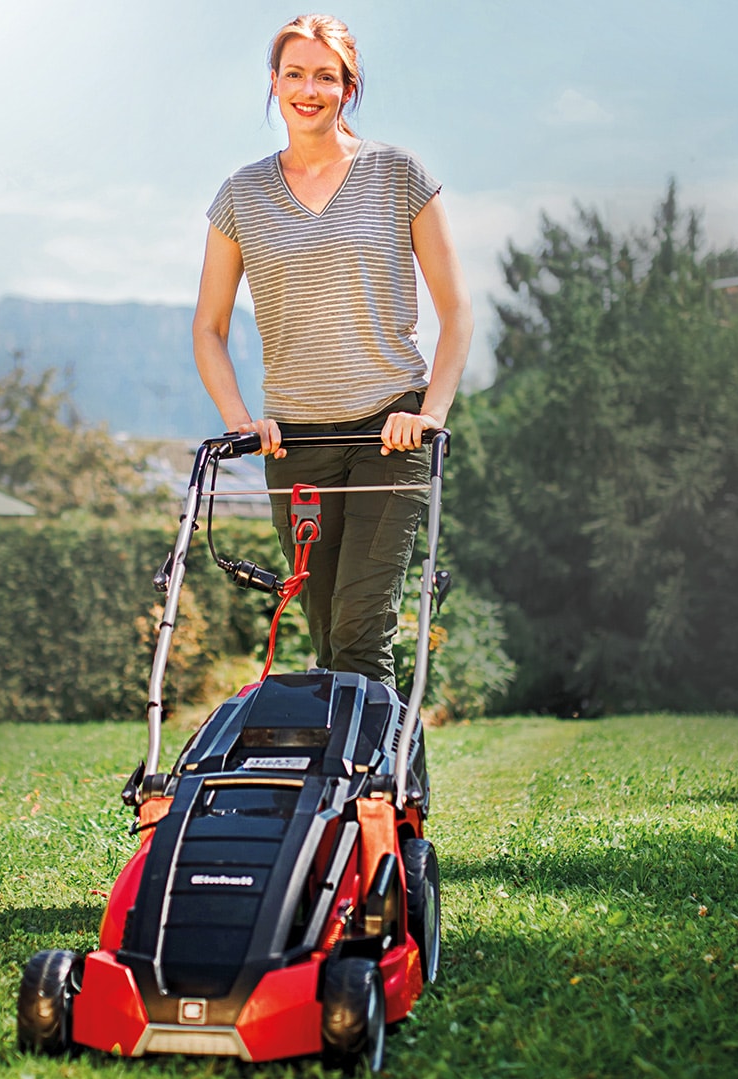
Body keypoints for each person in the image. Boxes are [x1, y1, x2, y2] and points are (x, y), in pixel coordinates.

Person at [192, 13, 472, 688]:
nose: (308, 89)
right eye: (295, 74)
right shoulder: (241, 195)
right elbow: (209, 328)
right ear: (274, 83)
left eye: (326, 75)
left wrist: (429, 414)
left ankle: (380, 791)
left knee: (360, 625)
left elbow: (457, 312)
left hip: (390, 435)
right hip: (296, 443)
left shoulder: (397, 175)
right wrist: (241, 421)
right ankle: (353, 785)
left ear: (349, 87)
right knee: (325, 630)